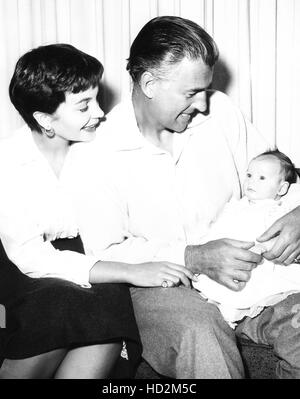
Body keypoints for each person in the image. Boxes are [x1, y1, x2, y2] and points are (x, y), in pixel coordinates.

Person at [79, 16, 300, 379]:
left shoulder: (222, 113)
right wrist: (193, 257)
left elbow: (279, 176)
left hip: (256, 280)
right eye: (190, 93)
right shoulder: (97, 153)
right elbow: (104, 251)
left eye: (205, 89)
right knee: (201, 333)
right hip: (161, 286)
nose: (202, 104)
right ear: (149, 83)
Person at [0, 43, 193, 379]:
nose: (100, 112)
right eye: (84, 105)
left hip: (93, 254)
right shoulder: (8, 162)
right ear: (45, 118)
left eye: (97, 99)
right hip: (23, 266)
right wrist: (130, 271)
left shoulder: (102, 144)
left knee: (106, 308)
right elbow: (30, 258)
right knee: (61, 302)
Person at [194, 150, 300, 325]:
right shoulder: (235, 206)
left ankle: (231, 312)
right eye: (249, 175)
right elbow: (218, 229)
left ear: (282, 188)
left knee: (250, 288)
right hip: (227, 258)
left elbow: (278, 239)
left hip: (259, 264)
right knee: (213, 282)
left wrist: (264, 246)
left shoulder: (276, 210)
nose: (251, 181)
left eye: (262, 178)